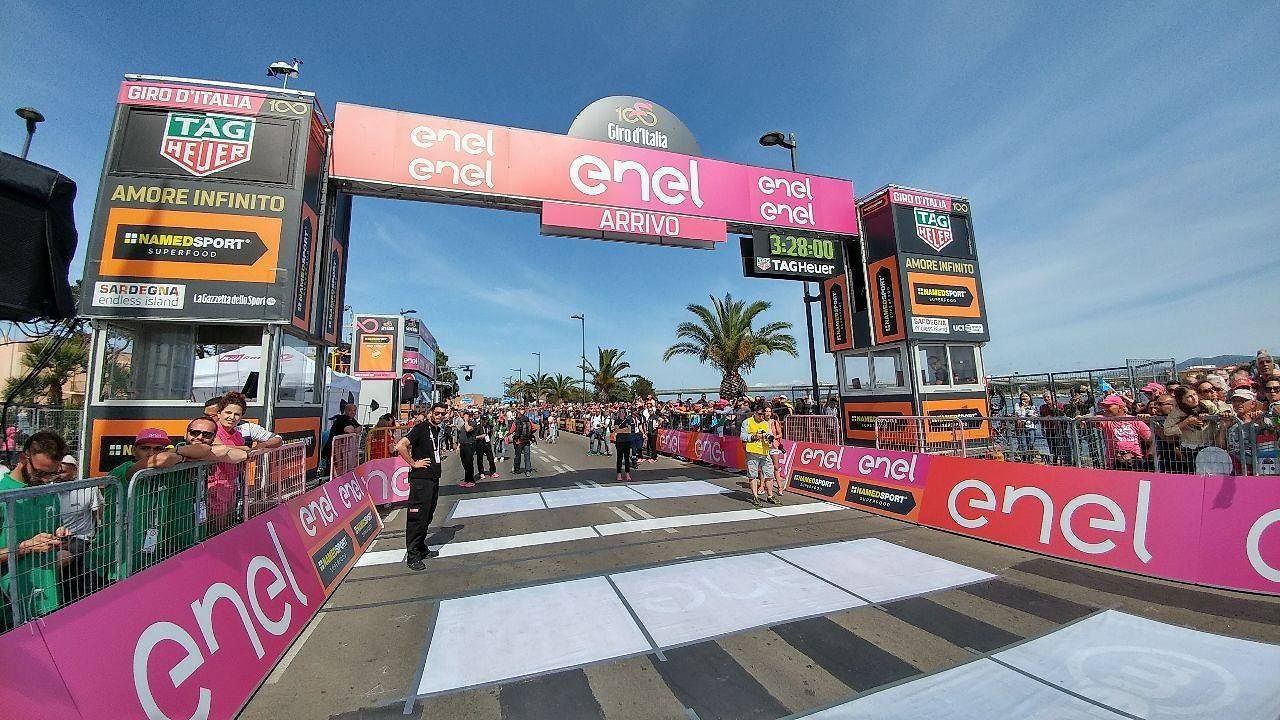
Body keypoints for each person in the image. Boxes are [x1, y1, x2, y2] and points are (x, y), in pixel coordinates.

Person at [1, 432, 71, 628]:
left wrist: (62, 536)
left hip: (48, 598)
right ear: (24, 458)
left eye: (52, 473)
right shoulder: (3, 494)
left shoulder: (47, 491)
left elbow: (55, 531)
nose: (46, 479)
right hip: (10, 606)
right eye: (40, 473)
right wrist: (26, 547)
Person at [396, 402, 447, 571]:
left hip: (433, 479)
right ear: (431, 412)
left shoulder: (437, 430)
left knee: (427, 516)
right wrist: (413, 463)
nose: (440, 416)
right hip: (420, 480)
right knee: (417, 518)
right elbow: (400, 445)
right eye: (437, 413)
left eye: (443, 414)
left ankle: (421, 547)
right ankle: (412, 555)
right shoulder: (420, 428)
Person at [1097, 395, 1153, 470]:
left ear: (1120, 407)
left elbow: (1151, 440)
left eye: (1108, 406)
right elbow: (1094, 420)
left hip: (1135, 462)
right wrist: (1085, 419)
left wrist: (1147, 459)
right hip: (1114, 463)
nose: (1105, 409)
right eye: (1104, 406)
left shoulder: (1135, 421)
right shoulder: (1106, 421)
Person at [741, 402, 778, 505]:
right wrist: (753, 437)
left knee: (769, 474)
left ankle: (770, 496)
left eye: (763, 415)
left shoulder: (765, 423)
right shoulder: (747, 422)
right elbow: (742, 436)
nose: (762, 417)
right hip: (752, 452)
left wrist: (770, 439)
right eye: (760, 414)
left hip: (765, 452)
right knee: (753, 475)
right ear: (755, 413)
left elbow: (770, 435)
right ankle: (755, 497)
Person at [612, 405, 636, 482]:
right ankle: (619, 473)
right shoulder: (617, 421)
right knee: (619, 458)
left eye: (623, 412)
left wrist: (621, 430)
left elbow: (629, 430)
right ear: (619, 413)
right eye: (620, 412)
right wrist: (624, 429)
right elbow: (616, 430)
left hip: (627, 441)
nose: (622, 413)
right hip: (619, 441)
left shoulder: (627, 420)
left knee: (626, 458)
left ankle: (627, 473)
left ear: (625, 413)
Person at [457, 410, 479, 489]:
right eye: (464, 416)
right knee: (464, 463)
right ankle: (466, 479)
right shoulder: (463, 425)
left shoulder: (473, 423)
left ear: (470, 417)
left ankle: (471, 480)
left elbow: (468, 430)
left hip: (469, 445)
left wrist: (466, 421)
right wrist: (458, 446)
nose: (464, 417)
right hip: (463, 445)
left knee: (469, 462)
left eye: (466, 416)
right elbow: (461, 435)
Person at [510, 410, 536, 474]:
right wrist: (530, 433)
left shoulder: (516, 421)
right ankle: (528, 470)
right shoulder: (528, 420)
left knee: (517, 456)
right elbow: (535, 428)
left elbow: (511, 431)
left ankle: (517, 470)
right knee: (527, 456)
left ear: (518, 414)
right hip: (527, 440)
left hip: (518, 441)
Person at [474, 411, 497, 479]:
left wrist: (489, 437)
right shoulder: (478, 427)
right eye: (483, 420)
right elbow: (474, 437)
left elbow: (491, 433)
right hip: (479, 444)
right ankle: (481, 473)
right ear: (481, 420)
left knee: (491, 458)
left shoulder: (489, 426)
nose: (484, 421)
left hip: (487, 444)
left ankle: (493, 472)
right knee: (480, 459)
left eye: (486, 420)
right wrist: (480, 436)